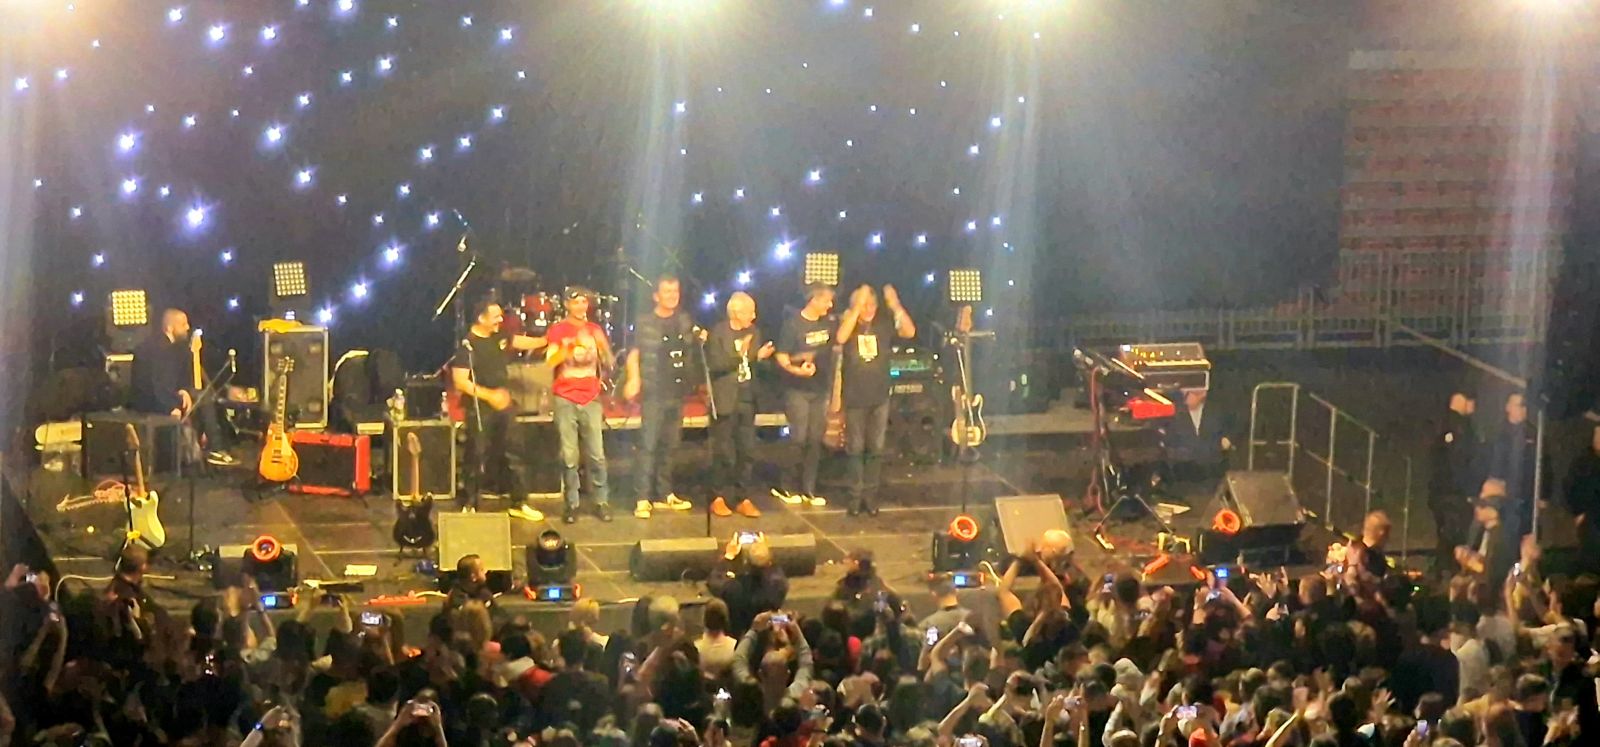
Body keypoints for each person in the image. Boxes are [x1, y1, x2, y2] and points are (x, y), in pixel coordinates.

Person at [451, 297, 548, 518]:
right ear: (481, 318)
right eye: (495, 317)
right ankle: (470, 502)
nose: (500, 320)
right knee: (477, 453)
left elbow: (518, 341)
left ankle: (519, 502)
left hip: (504, 403)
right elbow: (461, 381)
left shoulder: (499, 337)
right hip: (480, 406)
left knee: (515, 451)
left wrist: (544, 340)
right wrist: (490, 396)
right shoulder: (468, 346)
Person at [833, 285, 916, 516]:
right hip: (855, 397)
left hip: (879, 396)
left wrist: (895, 305)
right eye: (865, 305)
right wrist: (856, 308)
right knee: (855, 448)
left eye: (872, 305)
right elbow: (840, 337)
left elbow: (909, 332)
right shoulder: (849, 324)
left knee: (875, 448)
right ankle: (854, 497)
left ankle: (870, 497)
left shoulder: (883, 324)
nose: (869, 309)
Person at [622, 275, 700, 520]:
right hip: (654, 390)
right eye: (667, 291)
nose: (672, 296)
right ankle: (642, 497)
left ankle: (664, 493)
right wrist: (634, 379)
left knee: (671, 444)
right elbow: (634, 353)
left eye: (675, 291)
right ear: (656, 296)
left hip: (677, 390)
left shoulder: (684, 320)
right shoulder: (645, 322)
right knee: (648, 445)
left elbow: (690, 351)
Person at [128, 308, 235, 466]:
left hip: (166, 395)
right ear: (170, 327)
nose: (187, 327)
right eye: (183, 324)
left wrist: (183, 391)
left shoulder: (173, 348)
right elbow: (152, 386)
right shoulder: (154, 349)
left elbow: (177, 378)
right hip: (151, 401)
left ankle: (214, 447)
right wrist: (170, 407)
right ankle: (211, 448)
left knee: (204, 396)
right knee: (201, 399)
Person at [546, 288, 614, 524]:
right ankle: (572, 504)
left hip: (590, 397)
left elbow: (609, 362)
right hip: (565, 398)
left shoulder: (595, 329)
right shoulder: (558, 330)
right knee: (569, 456)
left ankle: (601, 502)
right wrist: (570, 346)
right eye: (576, 302)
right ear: (567, 305)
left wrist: (604, 350)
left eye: (584, 302)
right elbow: (550, 361)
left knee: (597, 455)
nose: (581, 307)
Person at [704, 292, 770, 519]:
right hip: (725, 398)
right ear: (736, 312)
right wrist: (743, 355)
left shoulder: (754, 332)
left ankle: (742, 497)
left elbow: (754, 360)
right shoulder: (718, 333)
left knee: (747, 450)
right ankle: (717, 496)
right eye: (750, 311)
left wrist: (758, 357)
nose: (754, 316)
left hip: (747, 397)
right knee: (723, 452)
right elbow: (715, 364)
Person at [773, 284, 837, 506]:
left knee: (815, 439)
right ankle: (786, 486)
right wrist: (796, 369)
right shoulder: (792, 324)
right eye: (826, 301)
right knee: (797, 438)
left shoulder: (828, 323)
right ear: (814, 300)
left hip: (820, 388)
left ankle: (808, 488)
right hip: (797, 389)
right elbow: (781, 356)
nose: (830, 305)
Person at [1429, 391, 1479, 569]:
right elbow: (1458, 462)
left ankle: (1445, 570)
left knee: (1449, 535)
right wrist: (1468, 490)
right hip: (1453, 493)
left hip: (1445, 492)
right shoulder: (1457, 427)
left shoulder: (1446, 425)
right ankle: (1446, 572)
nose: (1474, 406)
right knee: (1453, 536)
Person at [707, 535, 788, 637]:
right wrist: (764, 552)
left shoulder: (734, 588)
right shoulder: (777, 586)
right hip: (766, 637)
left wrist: (728, 556)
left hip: (737, 637)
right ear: (769, 563)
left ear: (747, 563)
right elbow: (776, 573)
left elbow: (713, 581)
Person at [1486, 392, 1538, 535]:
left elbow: (1543, 463)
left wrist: (1543, 494)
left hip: (1526, 496)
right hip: (1502, 496)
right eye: (1519, 405)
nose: (1523, 409)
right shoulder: (1498, 433)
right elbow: (1490, 461)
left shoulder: (1533, 433)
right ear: (1508, 407)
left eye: (1524, 406)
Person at [1161, 387, 1232, 487]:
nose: (1185, 395)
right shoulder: (1171, 412)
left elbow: (1225, 440)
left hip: (1212, 477)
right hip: (1181, 477)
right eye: (1184, 392)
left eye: (1189, 392)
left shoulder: (1216, 411)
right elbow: (1168, 446)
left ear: (1203, 393)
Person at [1455, 480, 1518, 588]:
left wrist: (1469, 560)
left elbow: (1493, 574)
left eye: (1482, 505)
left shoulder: (1501, 538)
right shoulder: (1483, 534)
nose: (1477, 509)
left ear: (1495, 509)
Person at [1562, 423, 1600, 571]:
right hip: (1589, 519)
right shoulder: (1582, 463)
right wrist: (1578, 512)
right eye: (1597, 435)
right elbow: (1570, 487)